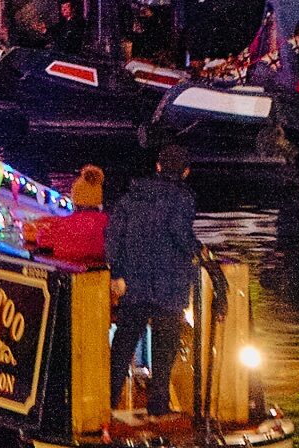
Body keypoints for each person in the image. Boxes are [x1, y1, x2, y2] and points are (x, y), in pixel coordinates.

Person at [106, 144, 202, 418]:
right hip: (169, 281)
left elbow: (113, 237)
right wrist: (197, 250)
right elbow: (179, 232)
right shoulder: (182, 198)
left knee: (124, 342)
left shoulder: (131, 196)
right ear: (185, 171)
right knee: (165, 343)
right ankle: (158, 403)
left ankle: (109, 400)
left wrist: (118, 273)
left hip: (134, 280)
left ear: (158, 167)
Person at [32, 165, 107, 266]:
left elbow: (43, 240)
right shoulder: (108, 223)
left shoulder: (62, 224)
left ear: (75, 201)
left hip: (67, 272)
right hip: (100, 274)